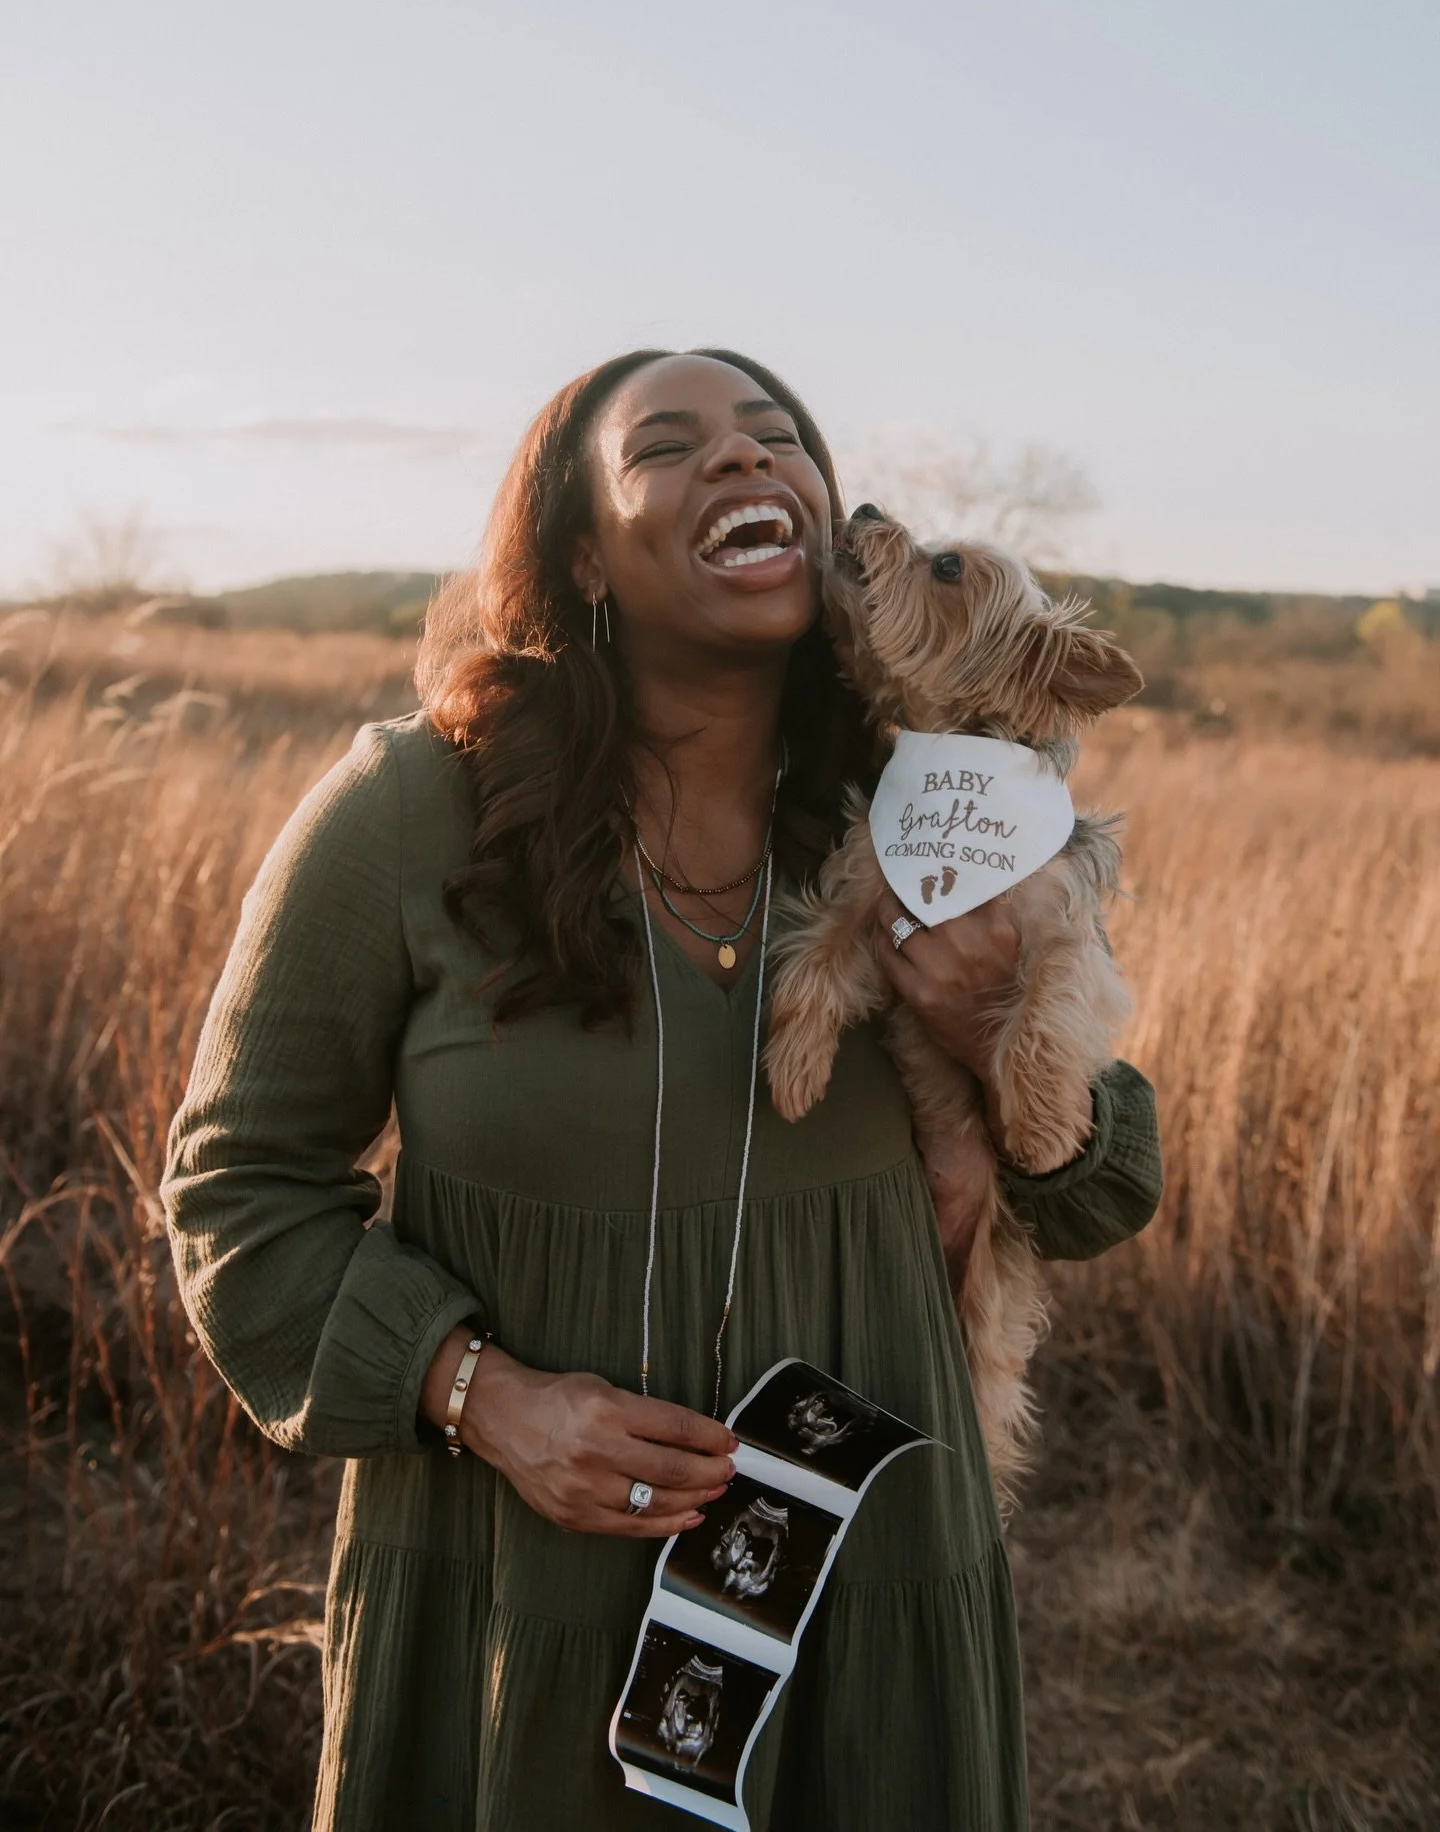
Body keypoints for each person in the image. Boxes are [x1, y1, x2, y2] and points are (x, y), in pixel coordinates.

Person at [161, 348, 1163, 1830]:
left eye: (776, 437)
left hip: (867, 1580)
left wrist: (981, 1035)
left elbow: (1100, 1185)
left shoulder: (930, 819)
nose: (745, 460)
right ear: (581, 556)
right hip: (520, 1588)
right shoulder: (411, 809)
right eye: (669, 446)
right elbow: (236, 1190)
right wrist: (479, 1395)